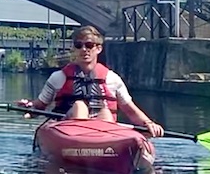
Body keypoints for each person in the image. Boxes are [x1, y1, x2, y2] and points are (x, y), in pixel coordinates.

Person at [22, 25, 163, 135]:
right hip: (68, 127)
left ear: (98, 48)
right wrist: (29, 107)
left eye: (89, 45)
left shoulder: (112, 79)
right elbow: (39, 107)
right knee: (79, 106)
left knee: (106, 112)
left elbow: (130, 111)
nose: (84, 49)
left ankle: (104, 146)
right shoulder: (58, 77)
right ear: (74, 49)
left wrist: (147, 123)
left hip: (101, 130)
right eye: (79, 45)